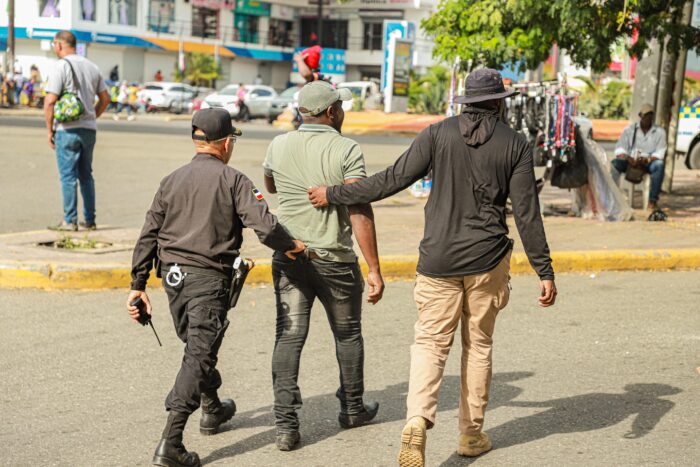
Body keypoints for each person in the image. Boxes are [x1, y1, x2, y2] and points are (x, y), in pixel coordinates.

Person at [308, 68, 558, 466]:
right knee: (478, 345)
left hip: (438, 259)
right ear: (498, 103)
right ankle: (471, 435)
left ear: (466, 102)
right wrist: (544, 270)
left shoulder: (437, 134)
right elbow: (528, 214)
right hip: (488, 259)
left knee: (430, 343)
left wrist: (333, 193)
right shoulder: (515, 144)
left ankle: (416, 421)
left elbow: (390, 180)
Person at [127, 108, 305, 467]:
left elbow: (149, 233)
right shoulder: (233, 180)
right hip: (208, 281)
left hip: (173, 281)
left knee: (198, 346)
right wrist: (292, 246)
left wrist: (137, 284)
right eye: (232, 141)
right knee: (199, 354)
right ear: (225, 143)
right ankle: (171, 443)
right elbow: (266, 226)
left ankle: (212, 408)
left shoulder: (171, 180)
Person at [263, 80, 384, 452]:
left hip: (290, 257)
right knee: (347, 336)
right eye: (341, 107)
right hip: (336, 262)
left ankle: (286, 427)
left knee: (289, 336)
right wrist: (374, 268)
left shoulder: (278, 144)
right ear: (331, 112)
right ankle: (352, 409)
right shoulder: (346, 148)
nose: (343, 112)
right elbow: (359, 209)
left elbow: (270, 185)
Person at [44, 31, 110, 231]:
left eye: (54, 44)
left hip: (67, 129)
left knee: (68, 176)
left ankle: (70, 220)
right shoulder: (92, 66)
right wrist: (92, 116)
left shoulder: (61, 66)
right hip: (89, 130)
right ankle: (90, 220)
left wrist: (49, 130)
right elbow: (105, 99)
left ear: (59, 45)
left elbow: (50, 101)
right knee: (86, 175)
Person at [611, 103, 667, 210]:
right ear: (640, 115)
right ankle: (613, 197)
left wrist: (647, 159)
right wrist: (628, 158)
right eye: (646, 115)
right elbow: (619, 148)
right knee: (615, 164)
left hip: (648, 162)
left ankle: (652, 201)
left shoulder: (660, 132)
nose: (648, 117)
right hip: (630, 161)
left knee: (659, 165)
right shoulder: (629, 130)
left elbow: (660, 153)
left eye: (650, 115)